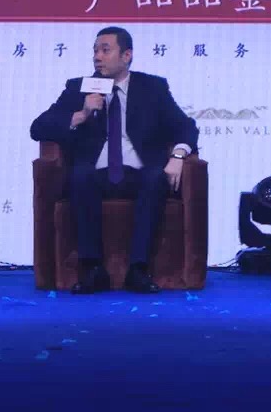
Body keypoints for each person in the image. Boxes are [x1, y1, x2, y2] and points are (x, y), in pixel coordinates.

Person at [30, 26, 198, 294]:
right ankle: (93, 269)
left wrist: (178, 155)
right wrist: (81, 114)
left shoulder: (152, 87)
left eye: (105, 50)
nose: (97, 57)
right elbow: (38, 127)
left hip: (139, 172)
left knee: (155, 177)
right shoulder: (78, 87)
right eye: (95, 51)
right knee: (80, 176)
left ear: (126, 55)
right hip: (95, 173)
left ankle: (138, 270)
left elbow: (185, 126)